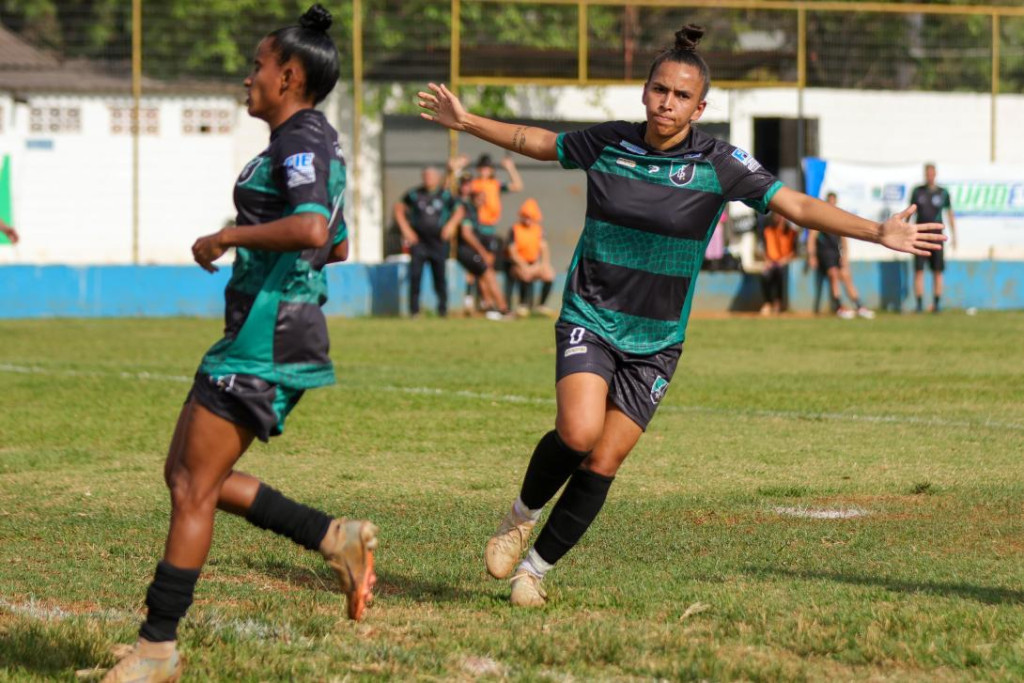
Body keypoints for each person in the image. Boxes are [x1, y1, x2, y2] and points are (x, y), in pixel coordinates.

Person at [418, 24, 945, 608]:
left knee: (605, 458)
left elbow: (794, 203)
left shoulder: (721, 163)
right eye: (659, 90)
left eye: (681, 95)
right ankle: (520, 517)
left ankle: (534, 572)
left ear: (700, 107)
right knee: (579, 432)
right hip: (592, 314)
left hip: (658, 339)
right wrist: (467, 122)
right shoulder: (611, 142)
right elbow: (540, 142)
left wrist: (876, 232)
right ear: (645, 91)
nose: (667, 103)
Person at [101, 7, 378, 682]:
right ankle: (332, 536)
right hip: (260, 329)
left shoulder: (301, 139)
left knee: (192, 487)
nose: (247, 77)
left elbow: (313, 230)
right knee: (188, 475)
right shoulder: (305, 140)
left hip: (268, 336)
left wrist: (229, 236)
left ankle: (157, 648)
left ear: (290, 76)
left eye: (257, 66)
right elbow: (337, 242)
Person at [451, 153, 524, 310]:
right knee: (479, 268)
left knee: (486, 267)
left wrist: (510, 168)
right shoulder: (474, 184)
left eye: (487, 168)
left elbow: (517, 186)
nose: (484, 171)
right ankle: (484, 302)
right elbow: (457, 188)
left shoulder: (495, 184)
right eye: (482, 168)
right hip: (476, 229)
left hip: (489, 229)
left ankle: (488, 302)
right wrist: (457, 168)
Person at [394, 166, 464, 317]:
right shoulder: (414, 194)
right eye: (426, 176)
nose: (428, 179)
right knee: (415, 275)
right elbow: (398, 208)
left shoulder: (445, 195)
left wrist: (451, 226)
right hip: (419, 241)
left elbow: (459, 210)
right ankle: (414, 311)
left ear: (438, 178)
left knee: (439, 276)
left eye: (431, 176)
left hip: (438, 241)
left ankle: (442, 310)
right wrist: (406, 229)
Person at [807, 192, 875, 319]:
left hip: (836, 253)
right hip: (824, 253)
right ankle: (839, 307)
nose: (831, 204)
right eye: (829, 202)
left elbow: (844, 240)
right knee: (833, 274)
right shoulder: (820, 217)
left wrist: (845, 256)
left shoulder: (837, 218)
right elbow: (811, 237)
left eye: (833, 202)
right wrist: (811, 256)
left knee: (846, 275)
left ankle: (859, 306)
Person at [455, 172, 511, 319]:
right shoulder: (465, 208)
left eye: (483, 198)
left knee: (483, 274)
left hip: (471, 250)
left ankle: (489, 306)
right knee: (487, 272)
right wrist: (482, 251)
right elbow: (466, 234)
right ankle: (503, 309)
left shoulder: (474, 211)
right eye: (479, 198)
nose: (482, 201)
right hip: (464, 250)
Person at [911, 163, 957, 313]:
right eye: (927, 173)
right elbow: (910, 212)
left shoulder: (943, 193)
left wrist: (954, 235)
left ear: (935, 174)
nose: (930, 176)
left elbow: (949, 213)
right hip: (920, 236)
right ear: (925, 174)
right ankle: (919, 305)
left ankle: (936, 304)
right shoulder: (917, 191)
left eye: (932, 173)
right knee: (919, 270)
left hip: (937, 236)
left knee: (937, 271)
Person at [506, 198, 556, 317]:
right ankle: (523, 305)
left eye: (530, 217)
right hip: (518, 264)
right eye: (525, 217)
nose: (527, 220)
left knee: (549, 274)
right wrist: (523, 265)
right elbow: (512, 252)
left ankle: (541, 306)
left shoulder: (539, 230)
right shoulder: (515, 229)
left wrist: (544, 265)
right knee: (525, 274)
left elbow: (544, 248)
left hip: (534, 263)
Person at [759, 211, 796, 315]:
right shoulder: (767, 231)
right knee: (765, 275)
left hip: (785, 263)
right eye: (777, 216)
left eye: (781, 216)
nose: (779, 218)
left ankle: (778, 302)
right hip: (771, 262)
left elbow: (794, 251)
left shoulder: (791, 232)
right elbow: (763, 249)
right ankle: (768, 303)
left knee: (779, 273)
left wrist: (785, 260)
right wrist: (767, 261)